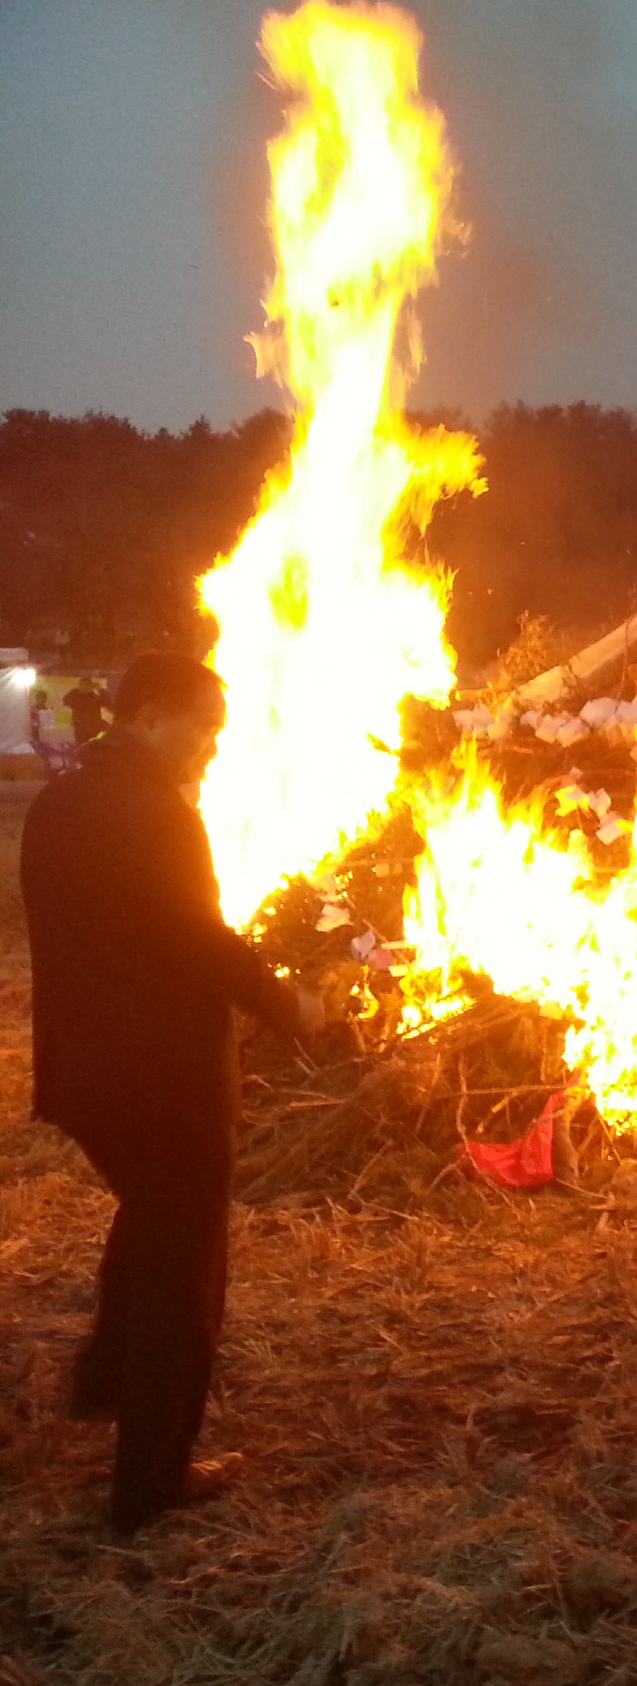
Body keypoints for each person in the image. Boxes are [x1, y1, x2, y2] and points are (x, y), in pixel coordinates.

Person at [20, 651, 323, 1534]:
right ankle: (152, 1477)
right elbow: (201, 941)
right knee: (182, 1273)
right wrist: (287, 1002)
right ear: (151, 714)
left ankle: (104, 1376)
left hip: (84, 1080)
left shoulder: (61, 802)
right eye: (206, 728)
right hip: (164, 1084)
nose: (212, 748)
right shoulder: (156, 815)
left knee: (148, 1215)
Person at [62, 675, 110, 746]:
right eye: (83, 685)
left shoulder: (95, 696)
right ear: (79, 686)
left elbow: (107, 703)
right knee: (81, 747)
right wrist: (75, 691)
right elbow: (65, 701)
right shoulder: (75, 695)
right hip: (80, 729)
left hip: (94, 728)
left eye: (87, 685)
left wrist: (101, 690)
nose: (85, 687)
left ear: (91, 686)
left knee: (95, 747)